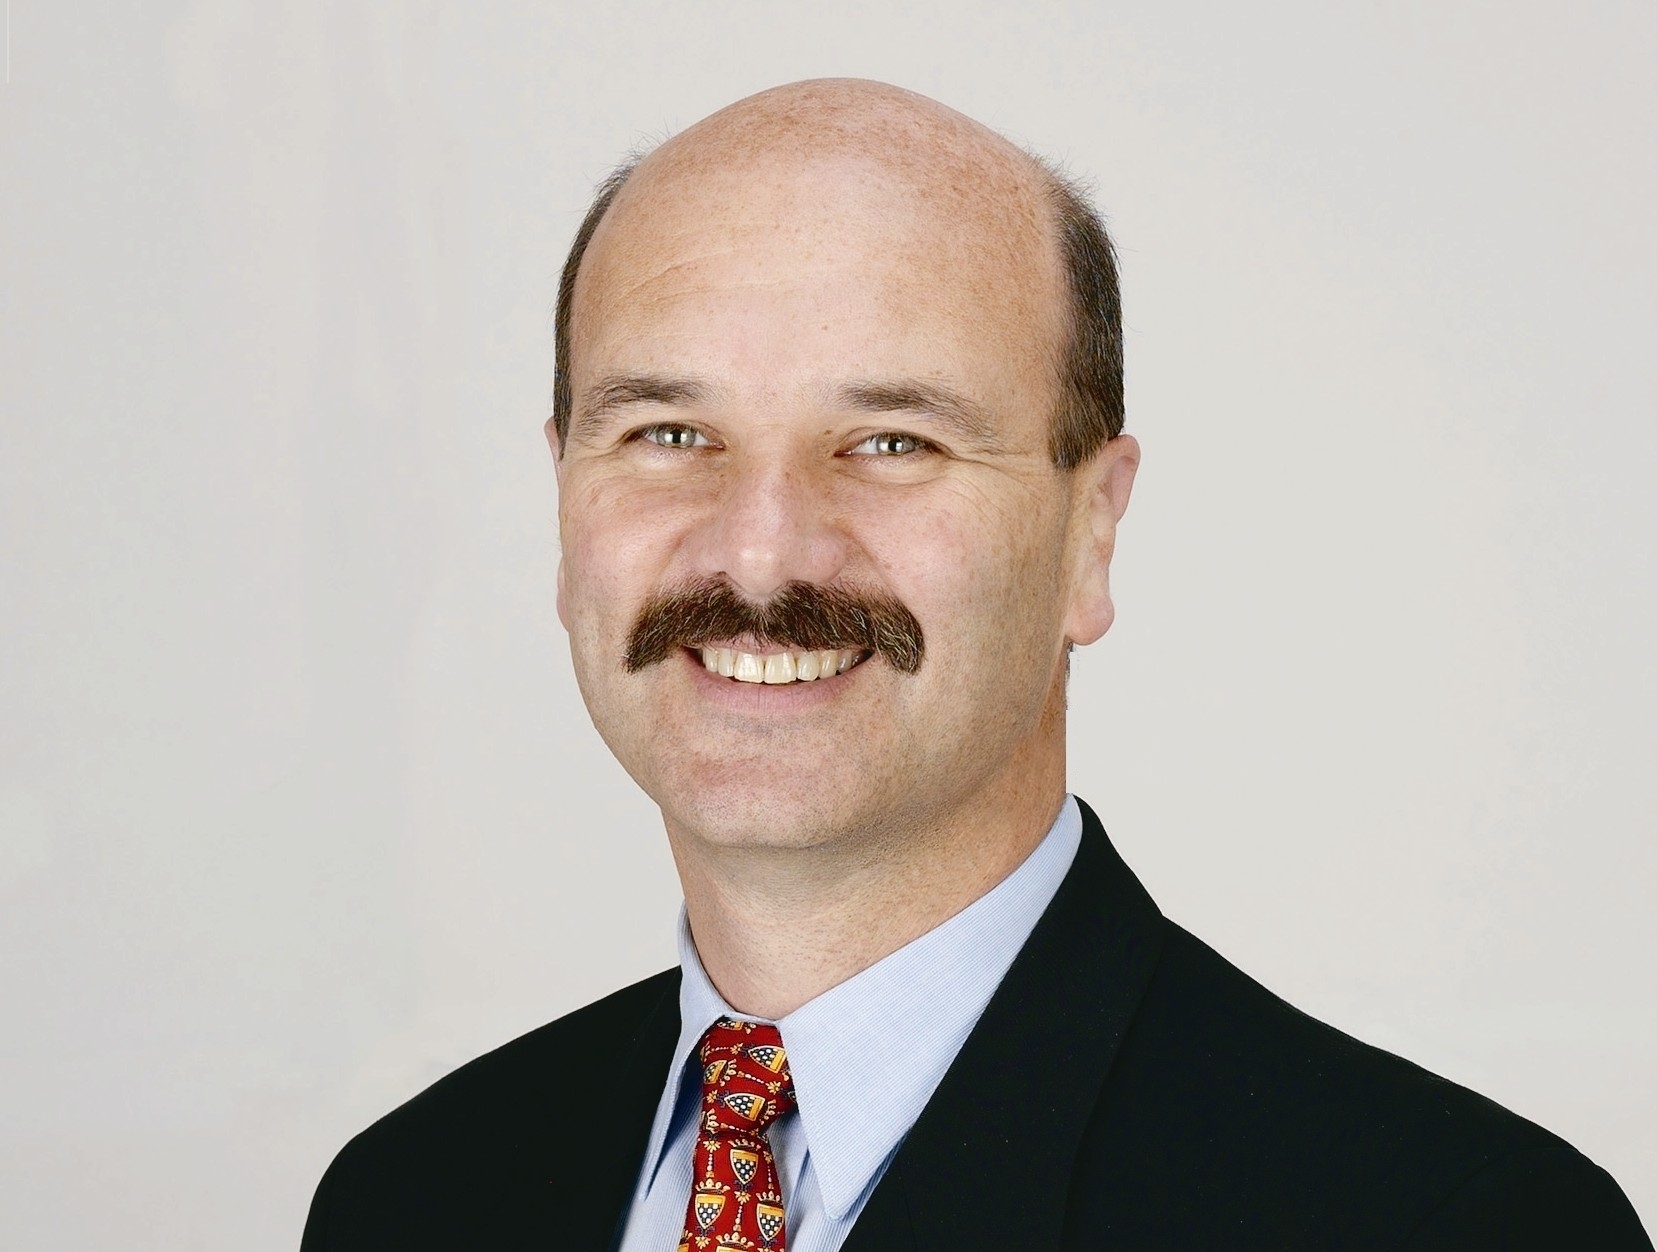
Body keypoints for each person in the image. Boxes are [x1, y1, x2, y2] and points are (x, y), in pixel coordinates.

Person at [300, 79, 1651, 1250]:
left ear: (1090, 534)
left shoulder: (1444, 1225)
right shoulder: (412, 1196)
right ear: (563, 498)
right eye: (665, 433)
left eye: (893, 442)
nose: (759, 554)